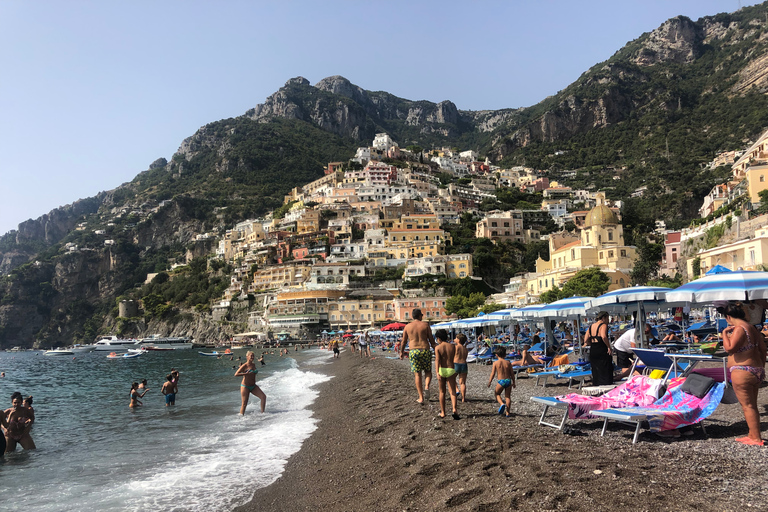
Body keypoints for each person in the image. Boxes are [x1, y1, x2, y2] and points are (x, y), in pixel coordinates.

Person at [718, 302, 766, 446]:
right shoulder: (752, 328)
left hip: (742, 370)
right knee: (752, 405)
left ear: (728, 317)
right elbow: (763, 349)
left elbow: (729, 348)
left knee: (748, 406)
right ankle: (753, 434)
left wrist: (724, 334)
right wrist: (761, 367)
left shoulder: (739, 329)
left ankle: (756, 438)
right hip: (755, 369)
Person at [400, 308, 436, 404]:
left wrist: (401, 352)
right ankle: (427, 386)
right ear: (420, 315)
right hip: (425, 349)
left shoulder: (407, 326)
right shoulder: (425, 325)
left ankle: (421, 397)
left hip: (414, 351)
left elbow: (403, 341)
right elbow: (431, 340)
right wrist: (437, 350)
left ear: (412, 316)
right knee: (428, 371)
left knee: (417, 374)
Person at [433, 330, 459, 419]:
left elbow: (437, 360)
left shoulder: (438, 348)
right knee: (452, 392)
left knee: (442, 392)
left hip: (442, 370)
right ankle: (454, 409)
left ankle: (443, 412)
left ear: (439, 338)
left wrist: (437, 372)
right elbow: (455, 359)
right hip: (451, 369)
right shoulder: (453, 346)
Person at [584, 311, 613, 386]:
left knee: (596, 369)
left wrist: (592, 344)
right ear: (603, 318)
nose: (608, 320)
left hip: (593, 349)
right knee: (605, 368)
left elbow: (585, 340)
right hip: (601, 348)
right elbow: (603, 336)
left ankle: (597, 384)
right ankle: (605, 384)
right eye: (607, 318)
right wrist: (609, 347)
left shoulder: (591, 326)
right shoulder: (603, 325)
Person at [487, 347, 515, 417]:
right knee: (508, 397)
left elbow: (493, 373)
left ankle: (502, 403)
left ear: (496, 355)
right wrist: (514, 382)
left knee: (497, 394)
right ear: (505, 355)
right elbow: (512, 374)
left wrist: (490, 381)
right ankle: (508, 412)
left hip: (501, 381)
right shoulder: (508, 363)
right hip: (508, 380)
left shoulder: (496, 363)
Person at [453, 333, 469, 402]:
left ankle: (456, 389)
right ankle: (463, 398)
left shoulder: (455, 347)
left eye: (456, 338)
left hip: (456, 364)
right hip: (464, 365)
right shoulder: (465, 349)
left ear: (458, 340)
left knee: (451, 378)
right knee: (462, 383)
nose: (454, 339)